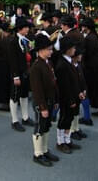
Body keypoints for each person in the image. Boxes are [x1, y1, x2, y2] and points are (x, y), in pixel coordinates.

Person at [30, 34, 59, 167]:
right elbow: (37, 90)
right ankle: (38, 153)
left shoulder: (48, 62)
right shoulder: (36, 67)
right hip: (41, 102)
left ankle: (45, 149)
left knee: (46, 126)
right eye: (49, 49)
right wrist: (42, 107)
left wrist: (55, 100)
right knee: (39, 126)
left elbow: (53, 82)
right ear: (41, 50)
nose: (51, 51)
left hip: (50, 100)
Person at [55, 37, 81, 154]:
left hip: (73, 96)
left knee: (69, 119)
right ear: (67, 49)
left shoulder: (69, 61)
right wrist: (70, 100)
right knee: (64, 119)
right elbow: (64, 86)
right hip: (66, 98)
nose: (74, 49)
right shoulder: (62, 65)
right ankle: (60, 141)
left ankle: (67, 139)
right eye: (73, 48)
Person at [8, 18, 35, 132]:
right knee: (15, 96)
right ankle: (14, 120)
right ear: (20, 29)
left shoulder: (25, 40)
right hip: (17, 73)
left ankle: (25, 117)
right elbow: (12, 60)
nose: (28, 29)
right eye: (26, 27)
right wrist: (15, 76)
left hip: (25, 72)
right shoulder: (13, 41)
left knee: (24, 95)